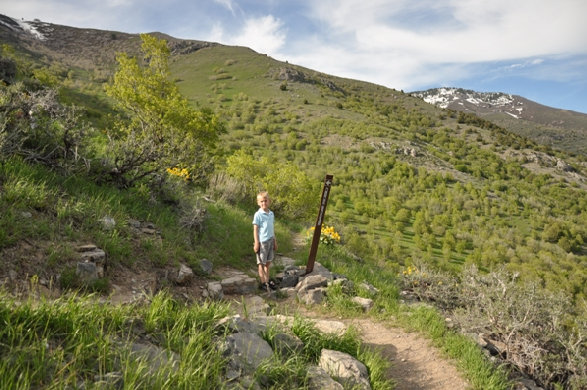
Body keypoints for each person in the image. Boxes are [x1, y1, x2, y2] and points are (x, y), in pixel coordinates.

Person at [253, 191, 278, 291]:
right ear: (258, 203)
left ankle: (267, 281)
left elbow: (272, 228)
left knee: (268, 263)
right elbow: (255, 229)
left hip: (270, 241)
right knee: (261, 263)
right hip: (262, 242)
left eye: (265, 201)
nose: (264, 203)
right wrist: (256, 243)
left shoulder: (271, 214)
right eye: (261, 201)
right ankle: (263, 282)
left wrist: (275, 241)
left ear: (269, 201)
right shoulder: (258, 214)